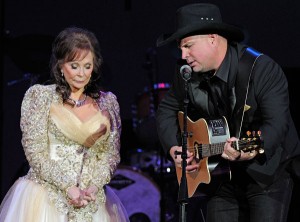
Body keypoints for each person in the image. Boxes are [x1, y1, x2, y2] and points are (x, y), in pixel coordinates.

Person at [155, 3, 300, 222]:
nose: (183, 55)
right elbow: (166, 109)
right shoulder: (186, 72)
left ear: (212, 38)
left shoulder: (261, 69)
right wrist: (175, 147)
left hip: (266, 174)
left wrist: (250, 150)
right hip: (220, 174)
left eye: (188, 46)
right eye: (181, 48)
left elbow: (277, 123)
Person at [0, 27, 129, 222]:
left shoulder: (107, 102)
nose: (81, 74)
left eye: (87, 66)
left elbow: (110, 155)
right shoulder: (41, 97)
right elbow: (35, 151)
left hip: (90, 200)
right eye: (74, 66)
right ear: (61, 66)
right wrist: (68, 187)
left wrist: (93, 187)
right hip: (46, 197)